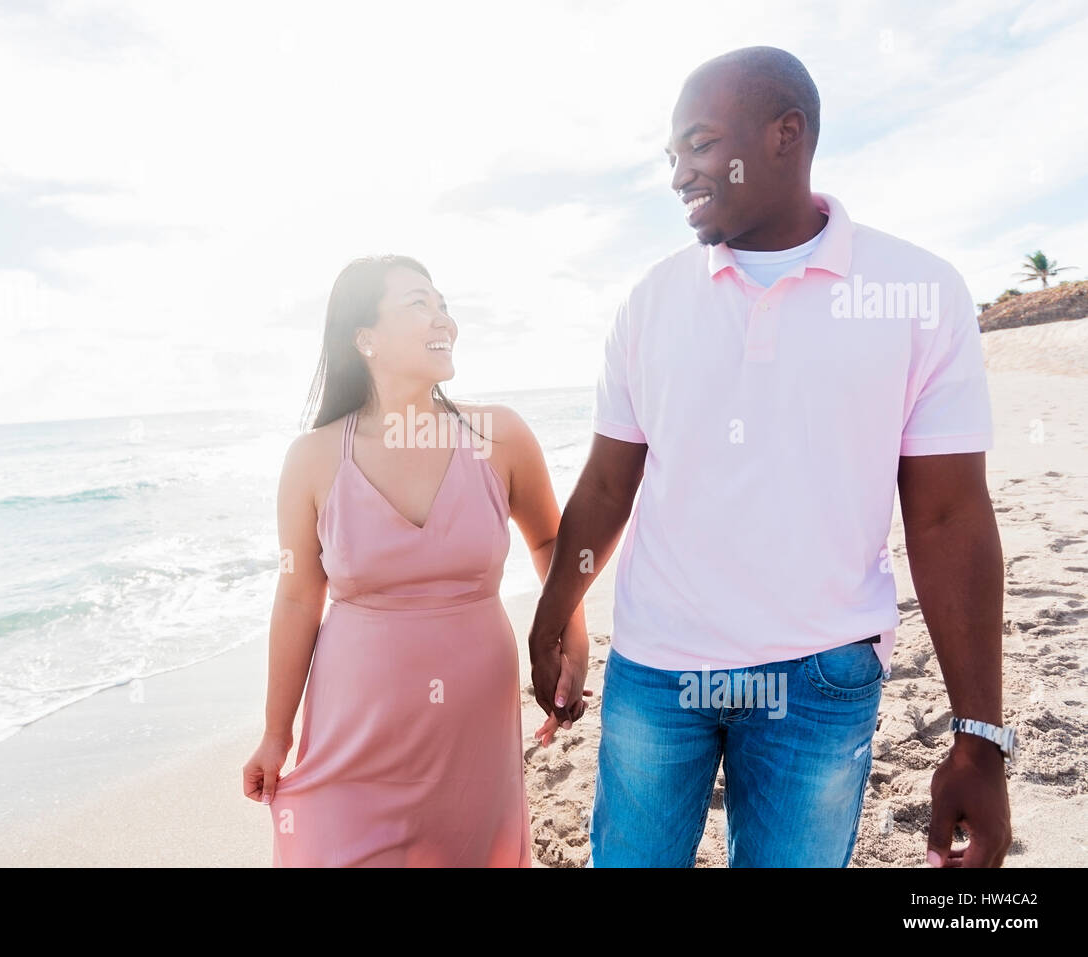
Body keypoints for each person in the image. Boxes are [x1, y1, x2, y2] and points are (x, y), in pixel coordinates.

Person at [527, 46, 1012, 867]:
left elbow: (947, 512)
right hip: (656, 670)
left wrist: (979, 734)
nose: (678, 172)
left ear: (786, 133)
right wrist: (555, 608)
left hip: (820, 682)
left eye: (701, 144)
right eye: (671, 154)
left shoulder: (919, 292)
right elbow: (611, 481)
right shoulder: (651, 300)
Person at [243, 254, 591, 867]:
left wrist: (571, 641)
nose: (444, 320)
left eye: (444, 305)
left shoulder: (498, 435)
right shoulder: (314, 458)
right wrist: (277, 733)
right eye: (418, 305)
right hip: (358, 724)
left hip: (472, 724)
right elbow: (299, 597)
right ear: (364, 338)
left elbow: (552, 546)